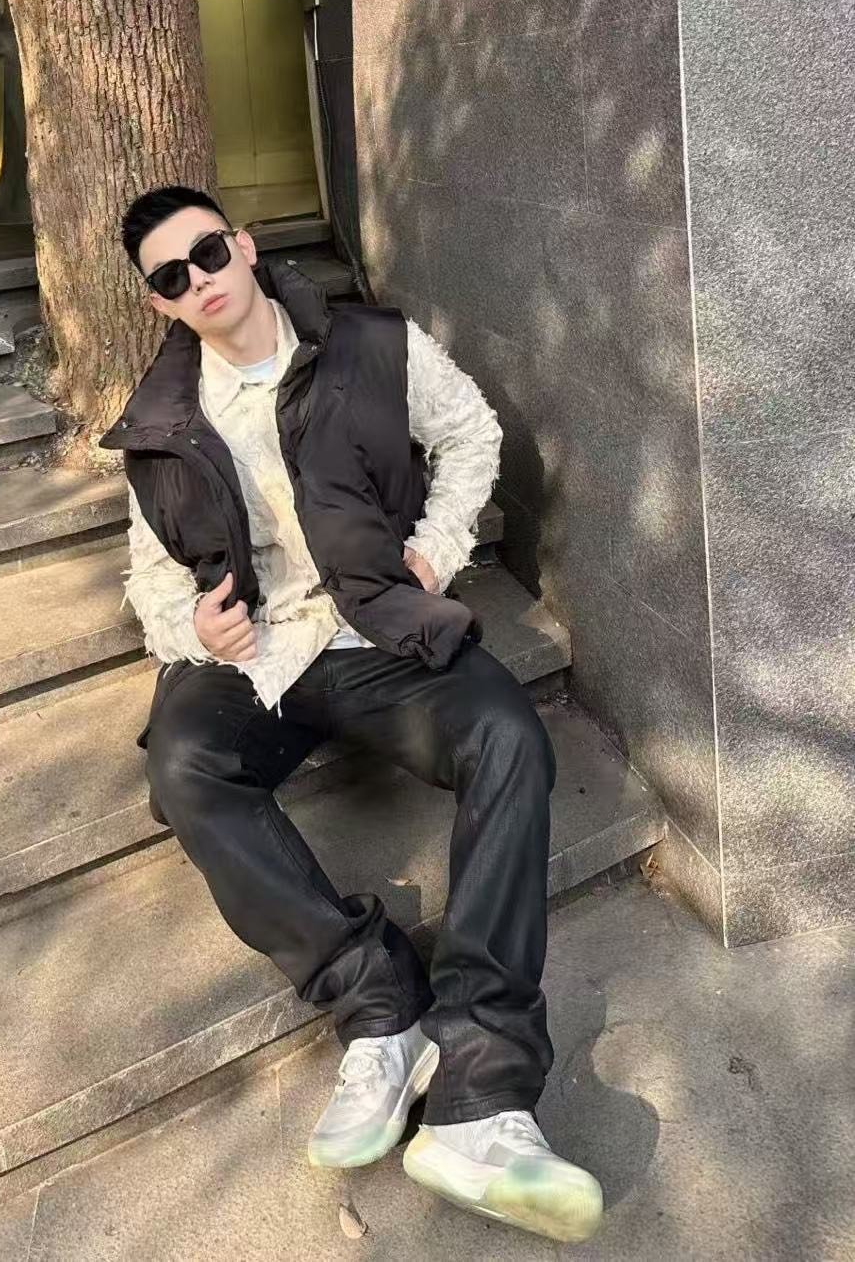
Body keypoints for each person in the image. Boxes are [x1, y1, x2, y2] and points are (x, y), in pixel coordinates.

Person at [99, 186, 603, 1245]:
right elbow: (149, 575)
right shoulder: (160, 422)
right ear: (159, 303)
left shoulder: (371, 345)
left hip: (375, 630)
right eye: (171, 277)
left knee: (507, 736)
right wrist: (195, 626)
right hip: (256, 656)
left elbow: (469, 434)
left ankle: (481, 1092)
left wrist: (436, 549)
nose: (199, 280)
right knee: (184, 769)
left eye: (207, 252)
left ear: (242, 245)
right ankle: (378, 1005)